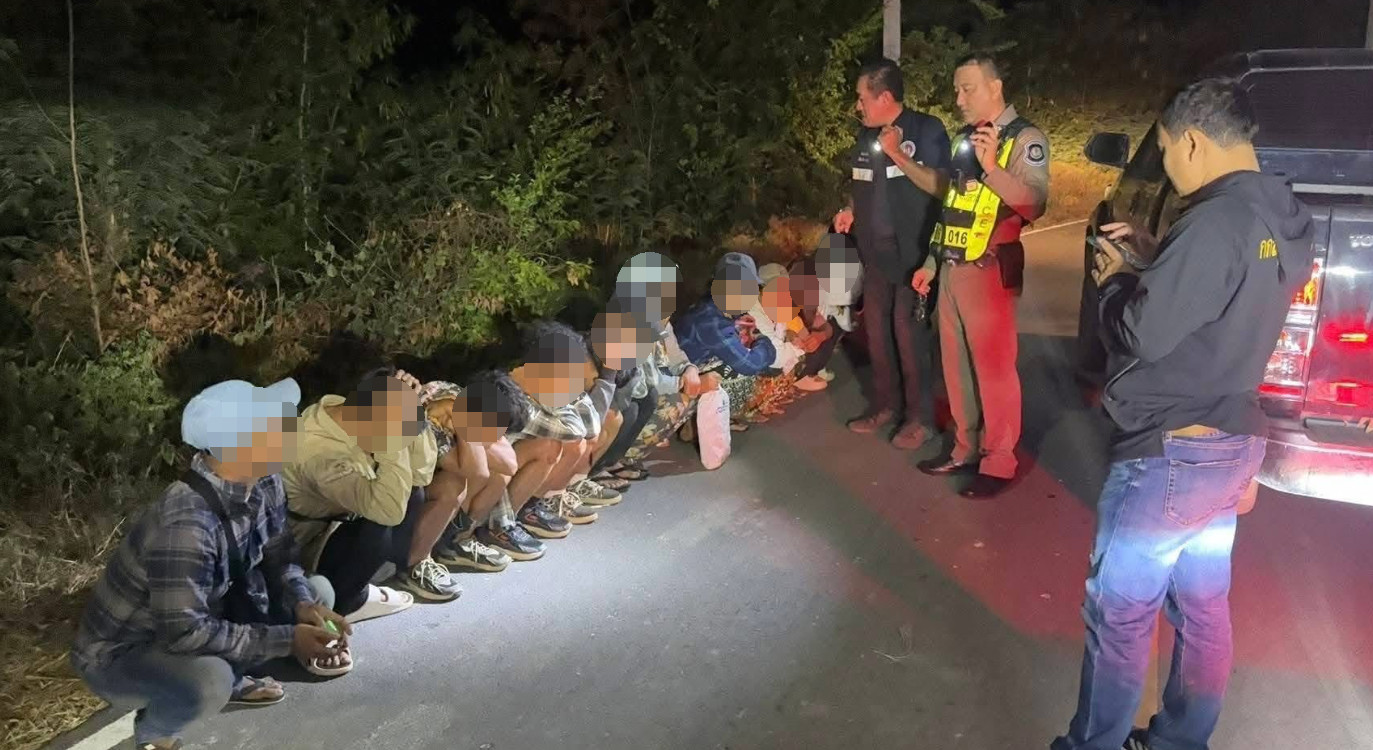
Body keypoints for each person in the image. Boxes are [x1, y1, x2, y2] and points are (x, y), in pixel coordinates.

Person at [1052, 79, 1315, 750]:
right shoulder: (1281, 213)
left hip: (1169, 455)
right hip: (1230, 446)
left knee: (1120, 616)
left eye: (1167, 150)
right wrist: (1156, 256)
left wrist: (1115, 278)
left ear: (1192, 142)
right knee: (1201, 609)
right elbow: (1224, 291)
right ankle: (1179, 740)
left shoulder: (1215, 221)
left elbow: (1140, 332)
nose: (1167, 167)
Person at [72, 379, 351, 750]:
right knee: (209, 681)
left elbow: (281, 557)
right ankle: (157, 732)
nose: (292, 427)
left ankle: (236, 675)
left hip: (205, 613)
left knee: (318, 592)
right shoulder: (187, 523)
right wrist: (288, 639)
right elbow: (184, 633)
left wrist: (302, 604)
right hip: (125, 653)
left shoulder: (266, 481)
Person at [907, 53, 1051, 498]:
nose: (958, 99)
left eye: (967, 88)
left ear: (995, 87)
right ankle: (964, 448)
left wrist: (992, 169)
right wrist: (931, 263)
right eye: (956, 89)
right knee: (956, 370)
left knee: (994, 371)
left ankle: (999, 461)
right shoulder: (963, 140)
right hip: (953, 269)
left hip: (989, 270)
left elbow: (1034, 204)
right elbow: (953, 205)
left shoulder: (1026, 138)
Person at [834, 57, 949, 450]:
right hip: (875, 255)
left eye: (862, 97)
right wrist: (851, 210)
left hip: (913, 255)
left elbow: (941, 186)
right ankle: (887, 406)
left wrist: (899, 154)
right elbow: (863, 184)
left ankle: (921, 419)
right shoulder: (864, 136)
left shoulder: (926, 130)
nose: (858, 105)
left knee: (908, 334)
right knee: (878, 335)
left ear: (884, 97)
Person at [285, 368, 455, 615]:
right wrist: (392, 437)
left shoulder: (355, 410)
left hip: (340, 521)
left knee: (410, 493)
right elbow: (387, 512)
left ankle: (359, 584)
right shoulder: (320, 454)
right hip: (302, 550)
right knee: (380, 522)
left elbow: (421, 474)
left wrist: (412, 413)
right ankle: (346, 601)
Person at [503, 321, 621, 538]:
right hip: (493, 475)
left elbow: (592, 426)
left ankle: (530, 506)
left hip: (508, 467)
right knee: (551, 446)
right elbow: (575, 430)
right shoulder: (521, 391)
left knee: (571, 443)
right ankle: (500, 526)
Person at [417, 370, 530, 572]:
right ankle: (415, 564)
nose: (497, 438)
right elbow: (476, 472)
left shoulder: (465, 402)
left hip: (429, 476)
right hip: (406, 486)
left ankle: (456, 542)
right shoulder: (434, 408)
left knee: (499, 474)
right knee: (454, 486)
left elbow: (509, 464)